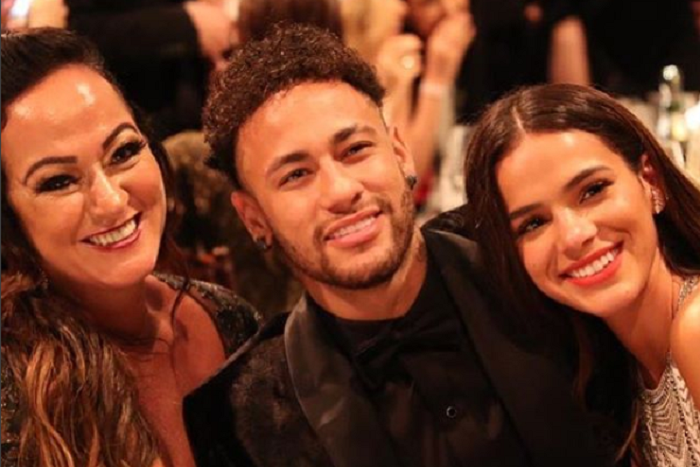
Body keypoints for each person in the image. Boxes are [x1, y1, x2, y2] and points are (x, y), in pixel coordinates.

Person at [183, 24, 610, 467]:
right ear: (253, 217)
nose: (341, 191)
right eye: (296, 175)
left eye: (355, 150)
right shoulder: (240, 417)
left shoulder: (530, 255)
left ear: (400, 152)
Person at [0, 28, 259, 467]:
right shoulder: (12, 395)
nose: (112, 201)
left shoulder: (228, 318)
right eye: (58, 181)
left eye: (123, 152)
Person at [462, 83, 700, 466]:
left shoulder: (695, 327)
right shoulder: (613, 376)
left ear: (650, 181)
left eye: (593, 191)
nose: (574, 236)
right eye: (534, 223)